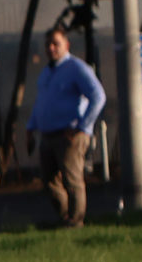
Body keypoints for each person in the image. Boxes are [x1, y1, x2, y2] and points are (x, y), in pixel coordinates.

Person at [26, 25, 105, 227]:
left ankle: (76, 221)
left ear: (66, 45)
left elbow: (98, 96)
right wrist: (30, 127)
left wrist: (82, 127)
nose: (51, 48)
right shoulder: (46, 72)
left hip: (69, 136)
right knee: (49, 180)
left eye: (56, 44)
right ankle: (65, 218)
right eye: (48, 44)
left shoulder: (77, 68)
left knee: (72, 180)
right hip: (48, 135)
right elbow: (40, 102)